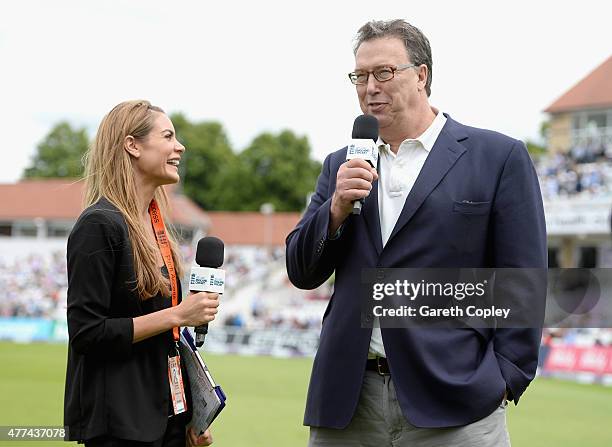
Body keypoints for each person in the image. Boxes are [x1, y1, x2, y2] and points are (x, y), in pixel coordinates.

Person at [286, 19, 547, 446]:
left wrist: (505, 378)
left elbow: (524, 281)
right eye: (360, 76)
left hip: (456, 400)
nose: (370, 87)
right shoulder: (341, 164)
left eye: (384, 72)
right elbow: (301, 270)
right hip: (349, 400)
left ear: (421, 75)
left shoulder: (498, 157)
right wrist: (334, 210)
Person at [64, 100, 217, 447]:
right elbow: (87, 333)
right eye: (168, 136)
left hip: (167, 421)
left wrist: (193, 411)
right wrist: (178, 314)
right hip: (120, 425)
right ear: (132, 145)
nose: (180, 146)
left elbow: (166, 336)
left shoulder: (155, 222)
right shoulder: (98, 224)